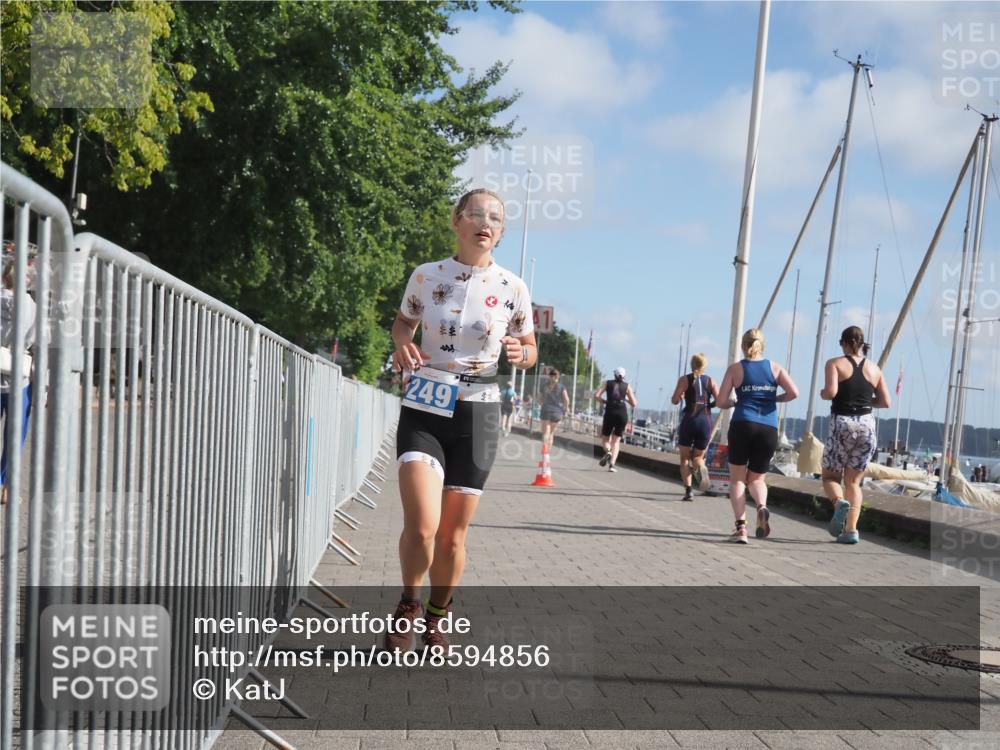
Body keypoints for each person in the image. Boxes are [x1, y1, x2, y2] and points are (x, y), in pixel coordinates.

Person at [388, 188, 536, 651]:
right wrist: (401, 345)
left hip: (480, 411)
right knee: (423, 524)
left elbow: (531, 350)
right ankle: (409, 604)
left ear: (501, 232)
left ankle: (437, 615)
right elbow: (402, 324)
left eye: (495, 217)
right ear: (456, 221)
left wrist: (521, 353)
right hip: (426, 404)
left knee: (452, 537)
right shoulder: (426, 275)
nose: (485, 222)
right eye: (475, 213)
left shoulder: (514, 287)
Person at [716, 329, 798, 543]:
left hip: (743, 424)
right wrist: (774, 399)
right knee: (757, 478)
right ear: (763, 345)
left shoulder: (735, 369)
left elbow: (720, 401)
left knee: (737, 479)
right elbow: (794, 393)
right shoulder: (776, 368)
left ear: (744, 346)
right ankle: (761, 506)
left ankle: (741, 528)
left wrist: (734, 402)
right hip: (768, 427)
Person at [820, 326, 891, 544]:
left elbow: (831, 393)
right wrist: (865, 401)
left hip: (842, 423)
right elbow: (885, 402)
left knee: (831, 476)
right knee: (854, 481)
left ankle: (838, 502)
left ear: (844, 343)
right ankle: (851, 530)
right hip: (867, 426)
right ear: (861, 345)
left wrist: (824, 393)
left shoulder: (834, 363)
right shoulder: (875, 368)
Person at [1, 255, 36, 505]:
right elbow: (35, 340)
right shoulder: (30, 306)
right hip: (18, 377)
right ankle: (4, 486)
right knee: (15, 435)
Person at [670, 353, 719, 501]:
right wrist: (709, 404)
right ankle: (701, 467)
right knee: (698, 457)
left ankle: (689, 491)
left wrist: (682, 397)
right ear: (704, 365)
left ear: (692, 364)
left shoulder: (684, 379)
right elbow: (719, 400)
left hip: (689, 419)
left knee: (684, 459)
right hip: (705, 420)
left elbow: (674, 400)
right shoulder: (710, 380)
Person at [594, 367, 637, 473]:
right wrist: (625, 399)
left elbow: (596, 396)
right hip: (622, 414)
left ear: (614, 375)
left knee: (605, 439)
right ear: (624, 376)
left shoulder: (607, 383)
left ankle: (608, 452)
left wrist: (604, 401)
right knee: (616, 441)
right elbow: (634, 403)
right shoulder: (627, 386)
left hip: (610, 412)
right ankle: (612, 465)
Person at [538, 368, 569, 449]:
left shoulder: (544, 386)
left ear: (549, 376)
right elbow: (566, 400)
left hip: (546, 410)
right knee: (551, 434)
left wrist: (542, 404)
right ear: (558, 377)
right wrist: (566, 408)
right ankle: (547, 454)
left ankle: (544, 456)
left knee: (545, 433)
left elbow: (539, 399)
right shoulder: (562, 387)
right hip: (557, 412)